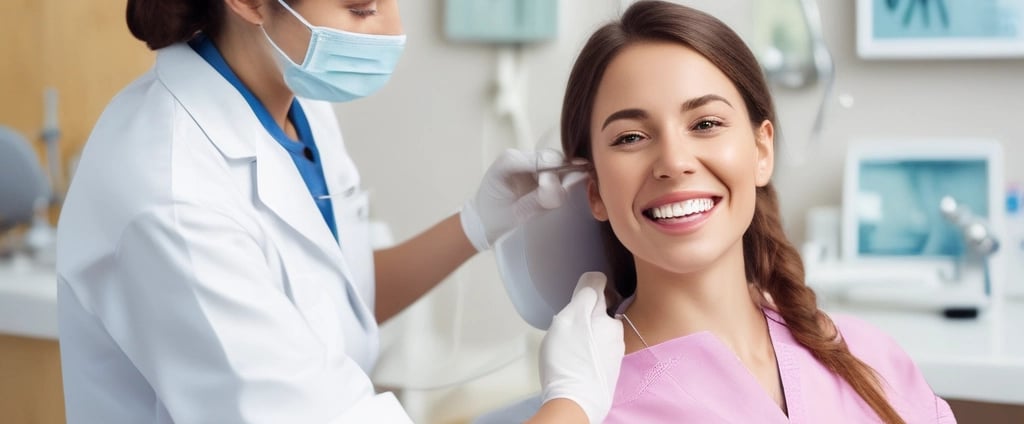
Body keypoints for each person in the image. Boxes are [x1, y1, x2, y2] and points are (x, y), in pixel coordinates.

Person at [55, 0, 623, 423]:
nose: (392, 31)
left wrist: (477, 222)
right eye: (358, 8)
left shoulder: (290, 103)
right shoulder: (171, 196)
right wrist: (571, 404)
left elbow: (340, 296)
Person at [558, 1, 956, 422]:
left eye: (705, 124)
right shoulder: (588, 404)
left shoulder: (871, 358)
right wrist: (477, 228)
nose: (674, 162)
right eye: (631, 137)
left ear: (761, 150)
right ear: (596, 189)